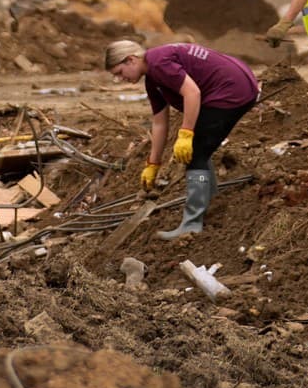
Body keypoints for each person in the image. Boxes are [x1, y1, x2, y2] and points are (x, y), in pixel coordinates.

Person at [104, 39, 259, 240]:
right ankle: (208, 203)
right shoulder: (153, 78)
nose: (120, 79)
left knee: (195, 154)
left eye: (119, 73)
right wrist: (153, 163)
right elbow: (160, 123)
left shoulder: (159, 63)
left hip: (231, 90)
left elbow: (192, 92)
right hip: (236, 83)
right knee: (200, 151)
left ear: (131, 60)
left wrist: (186, 133)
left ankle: (192, 224)